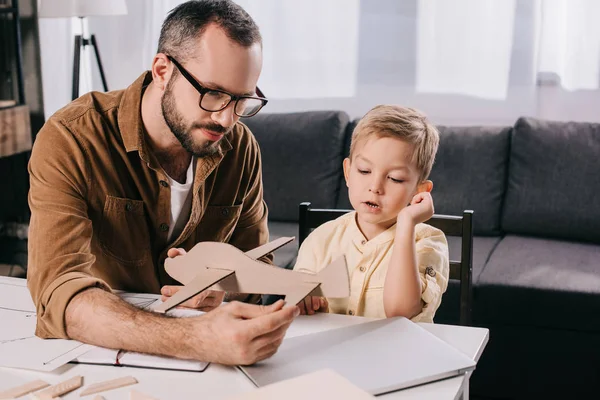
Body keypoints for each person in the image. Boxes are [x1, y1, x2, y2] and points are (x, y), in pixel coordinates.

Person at [27, 0, 298, 366]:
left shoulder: (241, 147)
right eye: (213, 93)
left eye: (241, 100)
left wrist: (221, 289)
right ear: (162, 70)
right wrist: (194, 338)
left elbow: (254, 272)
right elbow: (58, 293)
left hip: (212, 371)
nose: (226, 118)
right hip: (96, 355)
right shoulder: (71, 139)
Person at [294, 105, 449, 322]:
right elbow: (297, 298)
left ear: (419, 191)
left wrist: (407, 223)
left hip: (396, 354)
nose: (375, 187)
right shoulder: (321, 239)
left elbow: (400, 313)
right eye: (364, 171)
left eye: (395, 178)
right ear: (348, 172)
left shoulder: (428, 241)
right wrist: (302, 296)